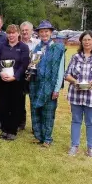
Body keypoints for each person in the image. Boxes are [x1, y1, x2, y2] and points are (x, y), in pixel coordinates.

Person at [29, 20, 65, 148]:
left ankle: (47, 139)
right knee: (36, 111)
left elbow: (61, 71)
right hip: (36, 85)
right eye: (41, 32)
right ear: (38, 34)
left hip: (50, 86)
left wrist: (56, 89)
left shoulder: (58, 48)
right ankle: (39, 136)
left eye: (46, 31)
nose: (44, 34)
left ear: (50, 33)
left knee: (48, 113)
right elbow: (32, 67)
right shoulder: (36, 48)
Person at [0, 24, 30, 141]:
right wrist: (0, 72)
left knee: (15, 105)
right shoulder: (1, 46)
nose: (11, 35)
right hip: (2, 80)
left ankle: (12, 130)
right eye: (9, 33)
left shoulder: (23, 47)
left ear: (18, 34)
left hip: (17, 81)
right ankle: (4, 129)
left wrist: (15, 76)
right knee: (3, 104)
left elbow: (24, 64)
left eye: (13, 33)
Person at [20, 21, 41, 130]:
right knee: (20, 100)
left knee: (34, 101)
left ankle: (35, 126)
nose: (24, 32)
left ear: (32, 31)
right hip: (21, 75)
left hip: (34, 76)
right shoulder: (17, 43)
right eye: (22, 30)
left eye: (26, 30)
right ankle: (21, 123)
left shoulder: (38, 43)